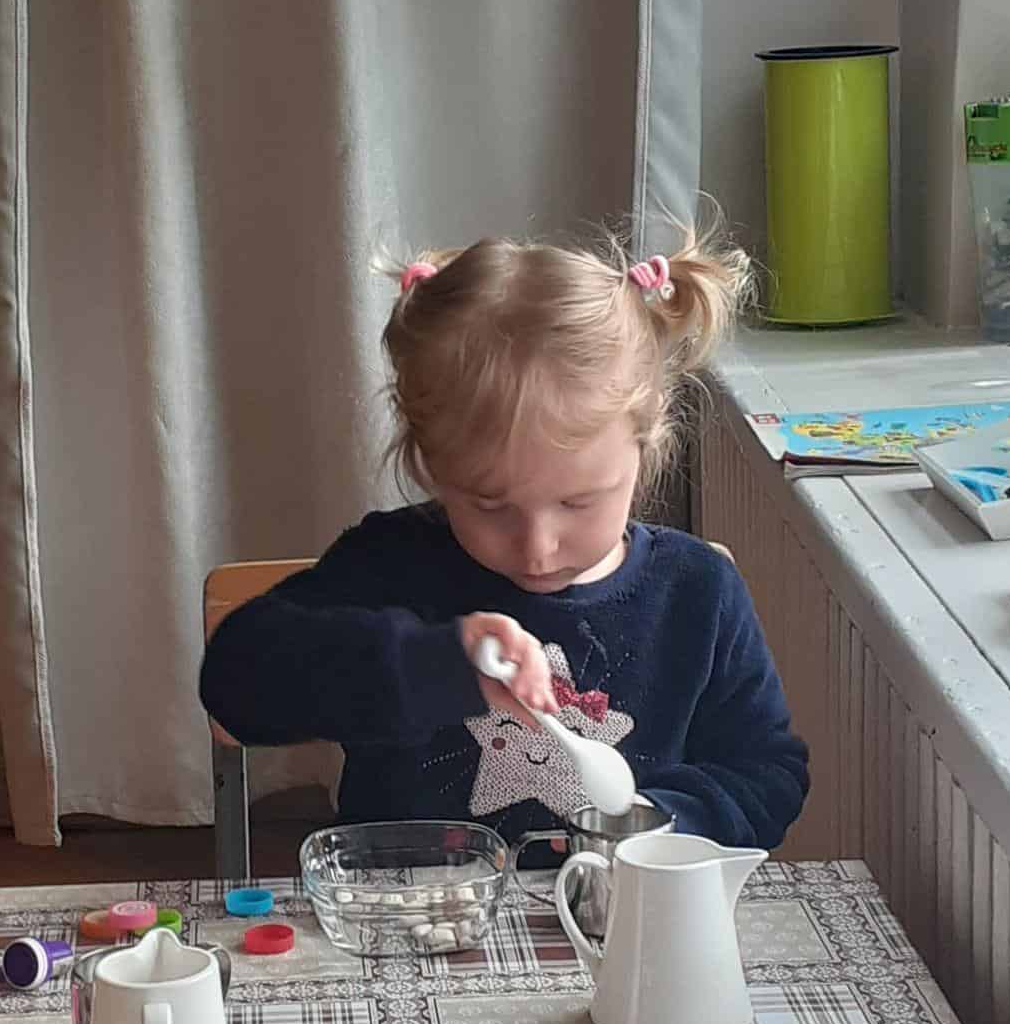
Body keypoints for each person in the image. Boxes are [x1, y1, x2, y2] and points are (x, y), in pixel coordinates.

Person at [201, 228, 807, 848]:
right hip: (410, 902)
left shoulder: (696, 591)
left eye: (577, 503)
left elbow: (766, 774)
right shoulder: (388, 568)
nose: (537, 547)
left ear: (645, 440)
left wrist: (660, 824)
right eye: (490, 506)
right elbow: (234, 684)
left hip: (619, 905)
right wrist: (433, 665)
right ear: (433, 466)